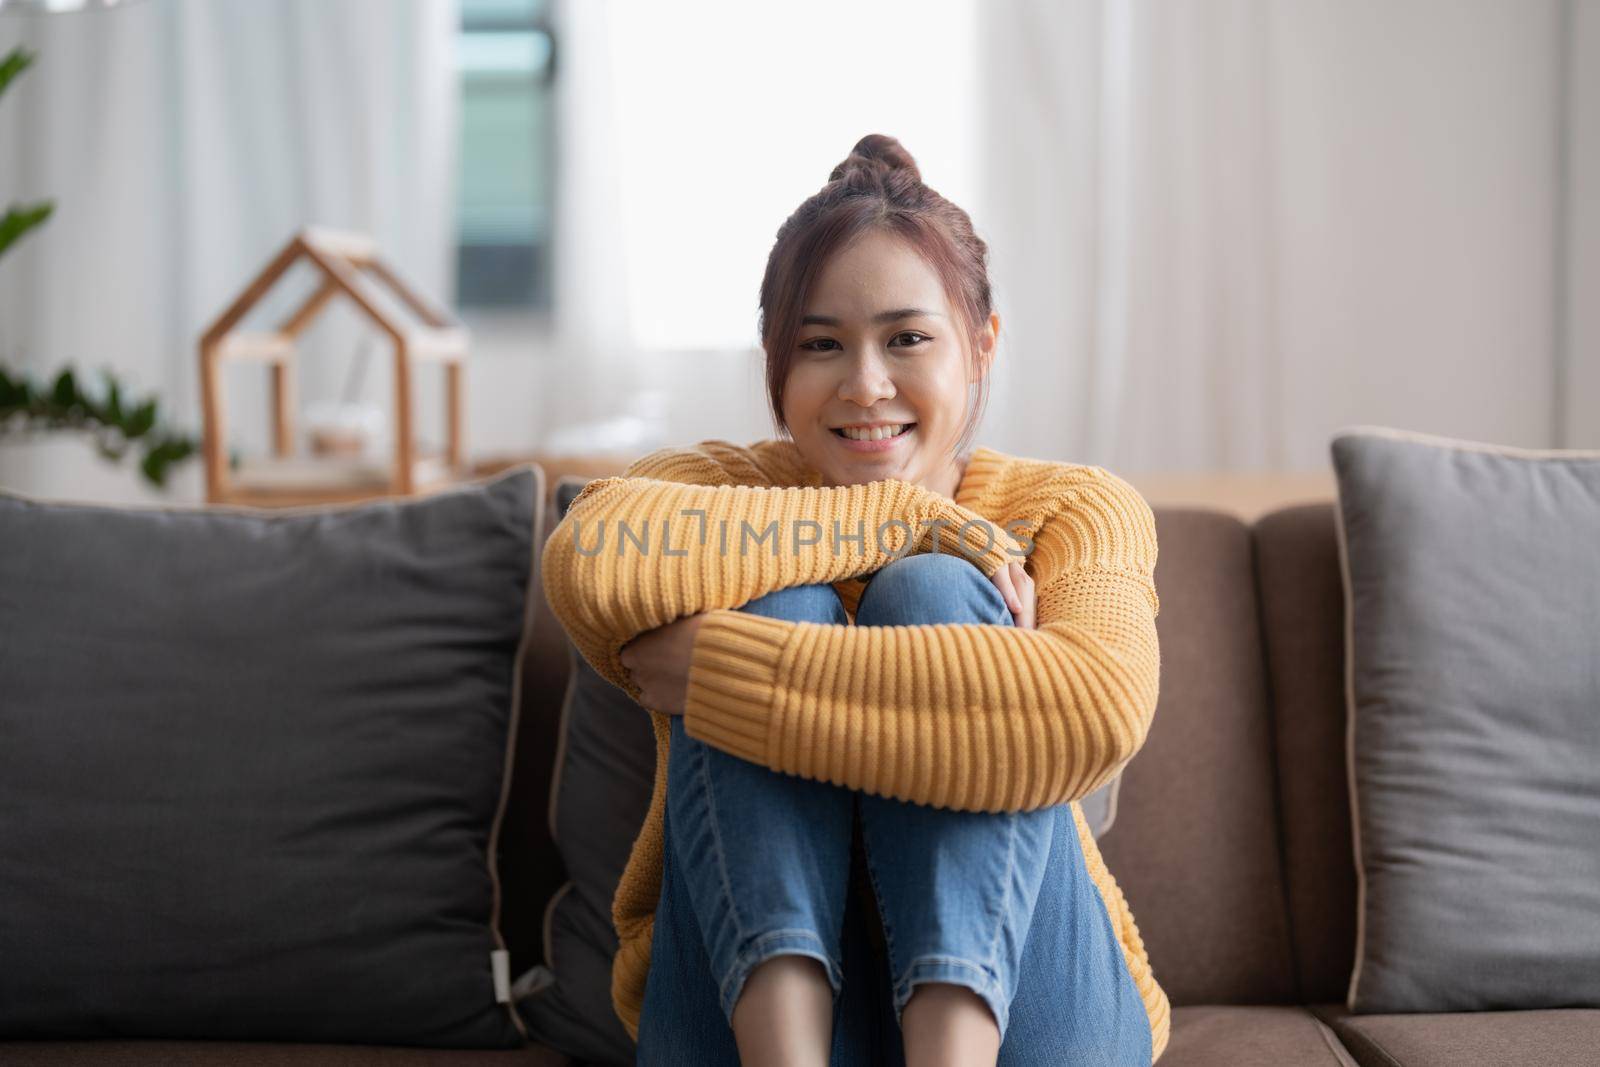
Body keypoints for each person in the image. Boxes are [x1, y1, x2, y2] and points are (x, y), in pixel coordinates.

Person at [540, 134, 1168, 1066]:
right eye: (821, 344)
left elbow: (1097, 707)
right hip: (738, 1011)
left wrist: (719, 670)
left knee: (936, 590)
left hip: (1032, 1017)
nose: (866, 385)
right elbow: (587, 556)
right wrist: (905, 521)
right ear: (773, 360)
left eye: (908, 338)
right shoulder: (719, 489)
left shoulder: (1072, 507)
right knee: (796, 597)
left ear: (982, 343)